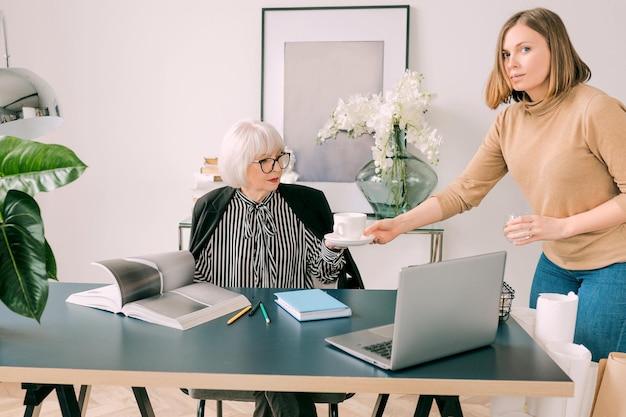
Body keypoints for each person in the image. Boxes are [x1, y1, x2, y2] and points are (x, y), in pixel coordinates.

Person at [365, 7, 626, 362]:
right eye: (505, 53)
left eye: (524, 49)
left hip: (614, 264)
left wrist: (561, 226)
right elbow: (465, 190)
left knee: (593, 373)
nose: (511, 62)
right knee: (545, 368)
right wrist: (399, 224)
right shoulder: (509, 122)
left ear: (556, 49)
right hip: (556, 263)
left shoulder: (596, 109)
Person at [189, 118, 362, 417]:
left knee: (273, 356)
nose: (278, 168)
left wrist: (333, 246)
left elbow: (321, 275)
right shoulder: (210, 208)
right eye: (265, 161)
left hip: (297, 326)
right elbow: (198, 281)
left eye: (280, 157)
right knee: (273, 359)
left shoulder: (305, 203)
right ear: (239, 164)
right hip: (232, 328)